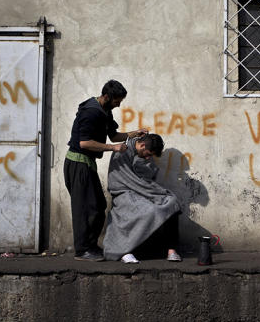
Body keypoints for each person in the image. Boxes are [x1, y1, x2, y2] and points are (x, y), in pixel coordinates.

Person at [65, 80, 146, 261]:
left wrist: (134, 133)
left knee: (98, 206)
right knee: (85, 209)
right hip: (77, 164)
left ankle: (90, 246)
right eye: (117, 101)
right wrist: (113, 148)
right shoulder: (91, 112)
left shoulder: (104, 111)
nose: (119, 104)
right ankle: (82, 250)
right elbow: (84, 143)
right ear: (107, 97)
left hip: (86, 164)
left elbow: (114, 135)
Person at [103, 133, 183, 264]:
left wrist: (142, 162)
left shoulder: (144, 154)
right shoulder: (122, 151)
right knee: (149, 210)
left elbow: (148, 175)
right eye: (148, 154)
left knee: (171, 202)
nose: (148, 157)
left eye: (150, 155)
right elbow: (118, 180)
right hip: (124, 192)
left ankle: (171, 250)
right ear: (142, 145)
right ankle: (125, 250)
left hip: (144, 190)